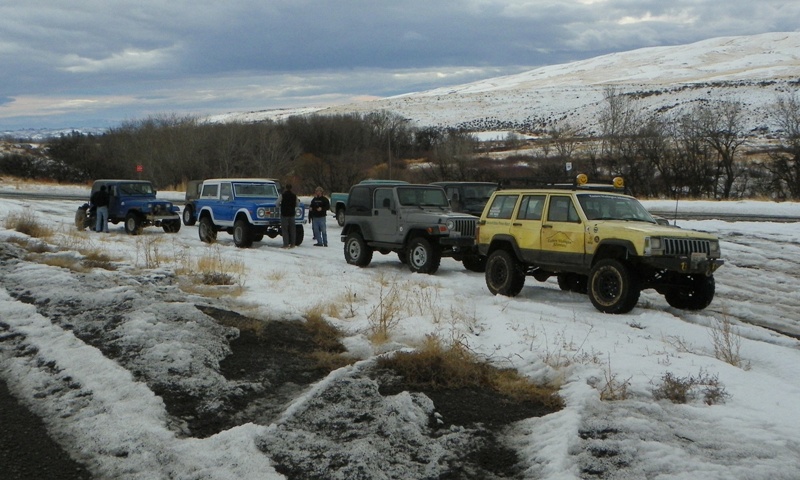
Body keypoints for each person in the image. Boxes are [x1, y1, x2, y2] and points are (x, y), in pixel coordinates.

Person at [277, 184, 299, 248]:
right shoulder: (294, 196)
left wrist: (280, 206)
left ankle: (286, 244)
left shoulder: (282, 195)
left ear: (286, 188)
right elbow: (297, 204)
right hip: (292, 214)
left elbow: (277, 203)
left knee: (285, 230)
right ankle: (293, 244)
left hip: (284, 214)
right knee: (292, 230)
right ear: (291, 188)